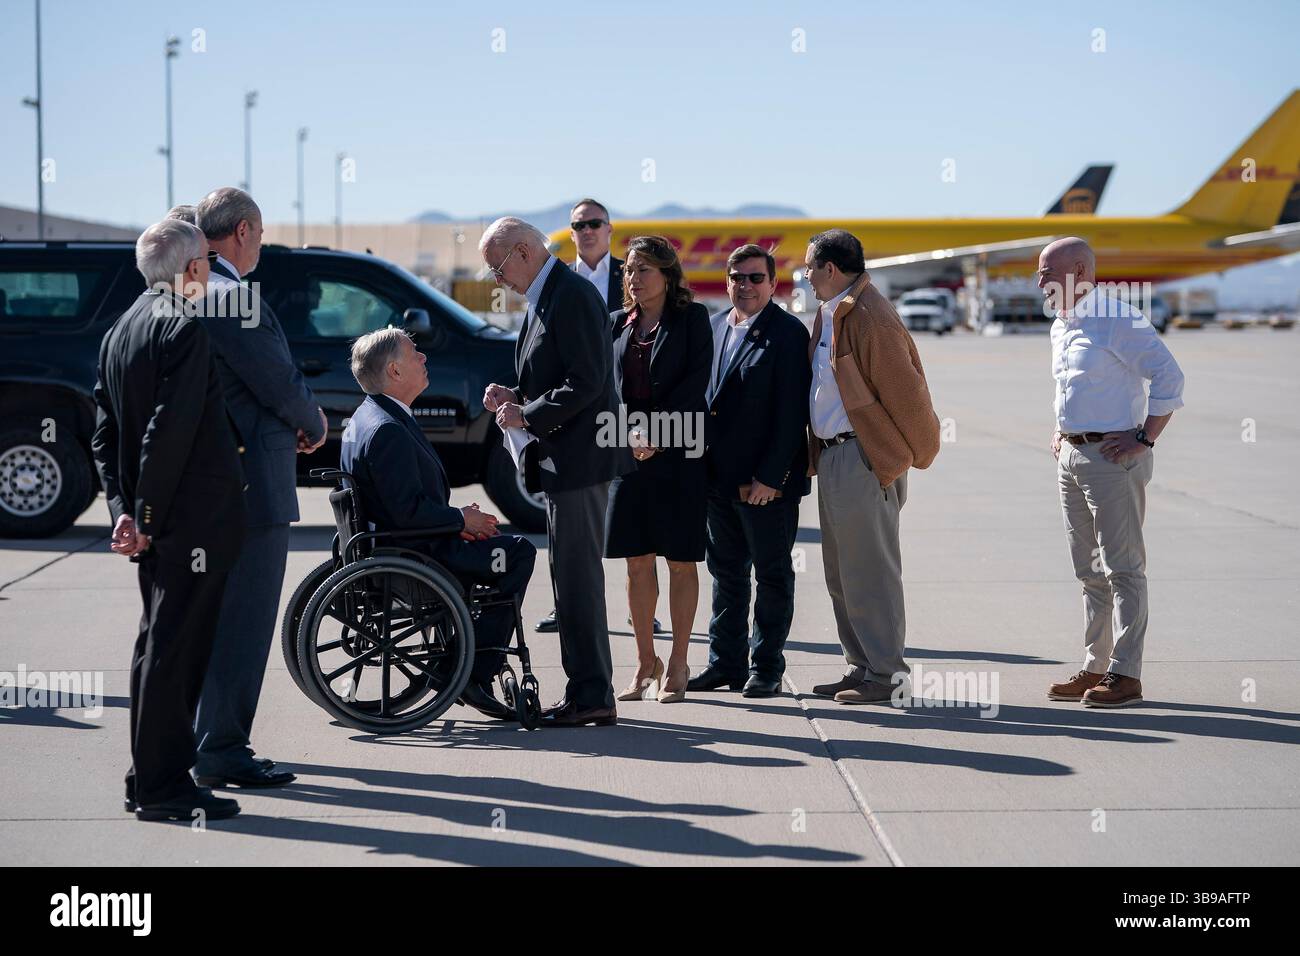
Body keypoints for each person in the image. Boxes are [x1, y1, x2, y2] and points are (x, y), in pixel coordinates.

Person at [91, 219, 246, 822]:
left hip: (155, 518)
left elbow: (104, 436)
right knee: (176, 649)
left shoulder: (119, 330)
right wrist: (146, 515)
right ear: (193, 270)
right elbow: (169, 431)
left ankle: (149, 777)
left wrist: (122, 510)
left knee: (157, 644)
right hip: (188, 521)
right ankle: (163, 787)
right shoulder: (181, 326)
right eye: (205, 262)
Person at [191, 187, 328, 788]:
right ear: (243, 231)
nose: (262, 245)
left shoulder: (184, 292)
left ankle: (202, 740)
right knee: (242, 626)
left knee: (208, 623)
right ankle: (221, 750)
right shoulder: (229, 298)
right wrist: (311, 421)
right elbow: (276, 378)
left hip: (207, 481)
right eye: (263, 234)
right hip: (250, 489)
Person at [480, 217, 633, 727]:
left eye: (497, 267)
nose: (497, 280)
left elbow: (588, 381)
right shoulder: (547, 296)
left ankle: (592, 695)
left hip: (581, 460)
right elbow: (559, 377)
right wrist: (517, 398)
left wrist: (529, 413)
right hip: (564, 459)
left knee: (577, 582)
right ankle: (587, 690)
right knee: (568, 580)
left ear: (524, 251)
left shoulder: (570, 294)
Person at [340, 328, 536, 720]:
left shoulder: (370, 416)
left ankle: (467, 655)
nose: (425, 358)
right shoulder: (388, 430)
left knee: (499, 543)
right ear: (395, 371)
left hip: (405, 544)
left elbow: (403, 505)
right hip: (419, 555)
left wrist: (458, 520)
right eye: (416, 354)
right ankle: (473, 669)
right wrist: (461, 519)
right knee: (517, 553)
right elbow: (408, 513)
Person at [1039, 237, 1184, 708]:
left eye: (1046, 271)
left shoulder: (1119, 319)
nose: (1038, 281)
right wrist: (1063, 431)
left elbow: (1169, 378)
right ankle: (1095, 665)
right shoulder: (1062, 324)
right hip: (1072, 456)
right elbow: (1073, 387)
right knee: (1089, 570)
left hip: (1114, 460)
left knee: (1123, 568)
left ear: (1079, 270)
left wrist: (1145, 438)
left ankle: (1126, 674)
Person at [802, 230, 941, 705]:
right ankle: (861, 667)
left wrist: (914, 456)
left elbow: (909, 397)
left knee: (871, 574)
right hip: (835, 456)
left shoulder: (869, 317)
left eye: (809, 267)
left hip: (863, 457)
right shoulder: (835, 311)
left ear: (831, 269)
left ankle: (887, 677)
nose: (804, 275)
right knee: (842, 573)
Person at [536, 198, 666, 635]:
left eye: (595, 223)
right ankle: (566, 604)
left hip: (624, 418)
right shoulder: (554, 284)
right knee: (570, 525)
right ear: (570, 232)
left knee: (631, 515)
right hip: (573, 425)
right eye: (579, 224)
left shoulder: (630, 278)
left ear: (610, 230)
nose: (587, 230)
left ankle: (641, 609)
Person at [688, 244, 811, 698]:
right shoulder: (716, 327)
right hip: (718, 480)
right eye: (738, 277)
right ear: (727, 281)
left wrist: (772, 477)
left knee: (772, 574)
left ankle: (767, 667)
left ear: (773, 284)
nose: (746, 286)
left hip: (766, 485)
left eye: (756, 278)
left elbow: (791, 414)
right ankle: (725, 664)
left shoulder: (788, 333)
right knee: (726, 574)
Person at [606, 236, 712, 703]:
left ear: (667, 275)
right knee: (635, 561)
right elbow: (606, 390)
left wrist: (657, 435)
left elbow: (696, 384)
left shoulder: (692, 320)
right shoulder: (615, 324)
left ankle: (680, 661)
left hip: (678, 454)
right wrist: (630, 436)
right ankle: (645, 662)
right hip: (625, 451)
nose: (634, 277)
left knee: (681, 560)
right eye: (629, 269)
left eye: (644, 269)